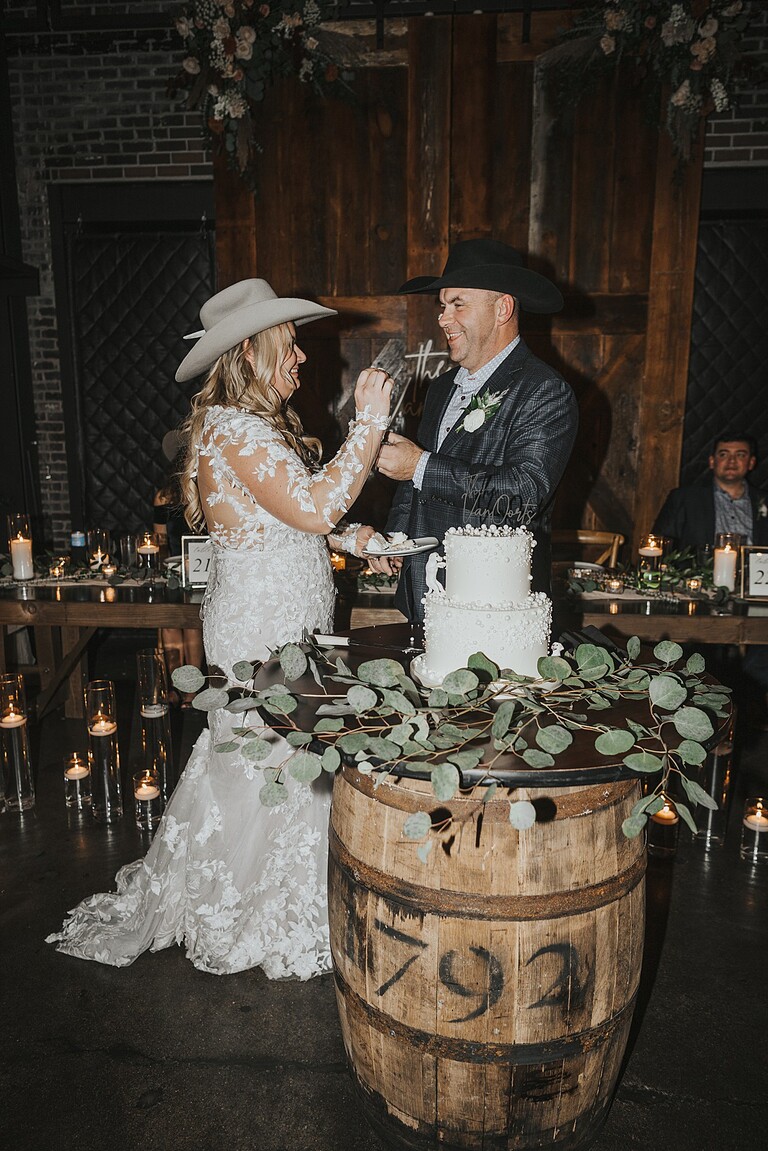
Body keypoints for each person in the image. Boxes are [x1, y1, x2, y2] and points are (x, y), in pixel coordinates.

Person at [47, 278, 392, 976]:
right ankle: (258, 909)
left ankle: (274, 894)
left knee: (278, 755)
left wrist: (353, 538)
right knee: (272, 754)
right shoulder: (235, 428)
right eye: (288, 344)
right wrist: (371, 423)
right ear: (250, 352)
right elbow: (311, 506)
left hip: (278, 619)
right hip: (262, 628)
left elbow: (286, 521)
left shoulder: (248, 427)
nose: (300, 356)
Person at [364, 239, 578, 620]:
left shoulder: (544, 390)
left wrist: (419, 466)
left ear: (502, 309)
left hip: (493, 607)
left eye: (457, 304)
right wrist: (395, 538)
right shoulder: (440, 389)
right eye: (442, 306)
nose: (443, 318)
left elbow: (522, 496)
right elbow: (414, 485)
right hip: (422, 595)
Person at [153, 430, 206, 707]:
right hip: (173, 571)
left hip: (204, 572)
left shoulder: (208, 488)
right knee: (170, 622)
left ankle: (192, 689)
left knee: (191, 624)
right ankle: (174, 685)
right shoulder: (164, 497)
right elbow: (159, 539)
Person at [653, 432, 768, 550]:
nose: (732, 461)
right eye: (723, 455)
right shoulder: (685, 499)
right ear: (712, 461)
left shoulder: (764, 501)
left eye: (740, 455)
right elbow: (660, 544)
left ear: (751, 463)